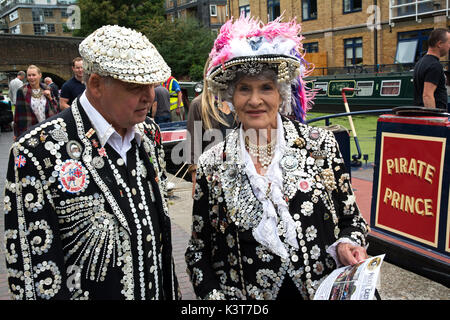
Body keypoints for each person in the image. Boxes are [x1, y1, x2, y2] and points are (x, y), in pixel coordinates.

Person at [185, 16, 369, 300]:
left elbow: (352, 219)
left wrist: (348, 243)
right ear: (231, 97)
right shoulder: (212, 163)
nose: (255, 100)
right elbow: (198, 252)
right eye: (245, 89)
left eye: (265, 88)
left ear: (281, 95)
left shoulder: (321, 146)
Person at [4, 25, 180, 300]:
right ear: (96, 84)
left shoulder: (148, 133)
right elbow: (33, 276)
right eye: (135, 86)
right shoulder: (34, 152)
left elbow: (159, 240)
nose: (149, 96)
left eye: (152, 83)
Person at [186, 61, 238, 197]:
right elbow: (193, 144)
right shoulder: (198, 105)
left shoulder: (238, 102)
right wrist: (195, 180)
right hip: (212, 176)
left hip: (238, 175)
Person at [13, 65, 58, 139]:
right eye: (29, 75)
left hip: (47, 128)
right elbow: (18, 113)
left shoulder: (48, 88)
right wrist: (16, 133)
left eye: (34, 75)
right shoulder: (22, 91)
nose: (31, 78)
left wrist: (50, 97)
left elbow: (56, 109)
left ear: (40, 75)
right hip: (30, 129)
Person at [413, 28, 450, 111]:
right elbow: (427, 95)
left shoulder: (420, 63)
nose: (449, 46)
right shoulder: (434, 65)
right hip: (433, 117)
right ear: (439, 44)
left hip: (420, 114)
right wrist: (433, 120)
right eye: (449, 43)